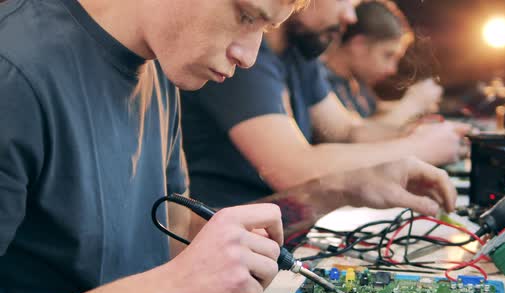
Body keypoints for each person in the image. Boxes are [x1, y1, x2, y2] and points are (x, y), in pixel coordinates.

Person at [0, 0, 457, 293]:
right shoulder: (14, 72)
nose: (249, 56)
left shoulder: (159, 66)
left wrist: (339, 189)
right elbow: (174, 276)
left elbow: (175, 239)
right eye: (245, 15)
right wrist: (168, 291)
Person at [181, 0, 469, 209]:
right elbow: (291, 169)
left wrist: (417, 134)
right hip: (227, 241)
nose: (350, 16)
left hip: (279, 230)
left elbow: (347, 130)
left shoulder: (297, 54)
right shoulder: (240, 57)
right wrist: (420, 148)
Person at [322, 0, 445, 129]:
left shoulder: (357, 84)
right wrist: (413, 104)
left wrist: (419, 103)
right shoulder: (324, 84)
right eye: (388, 55)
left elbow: (374, 114)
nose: (392, 69)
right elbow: (353, 136)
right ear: (359, 45)